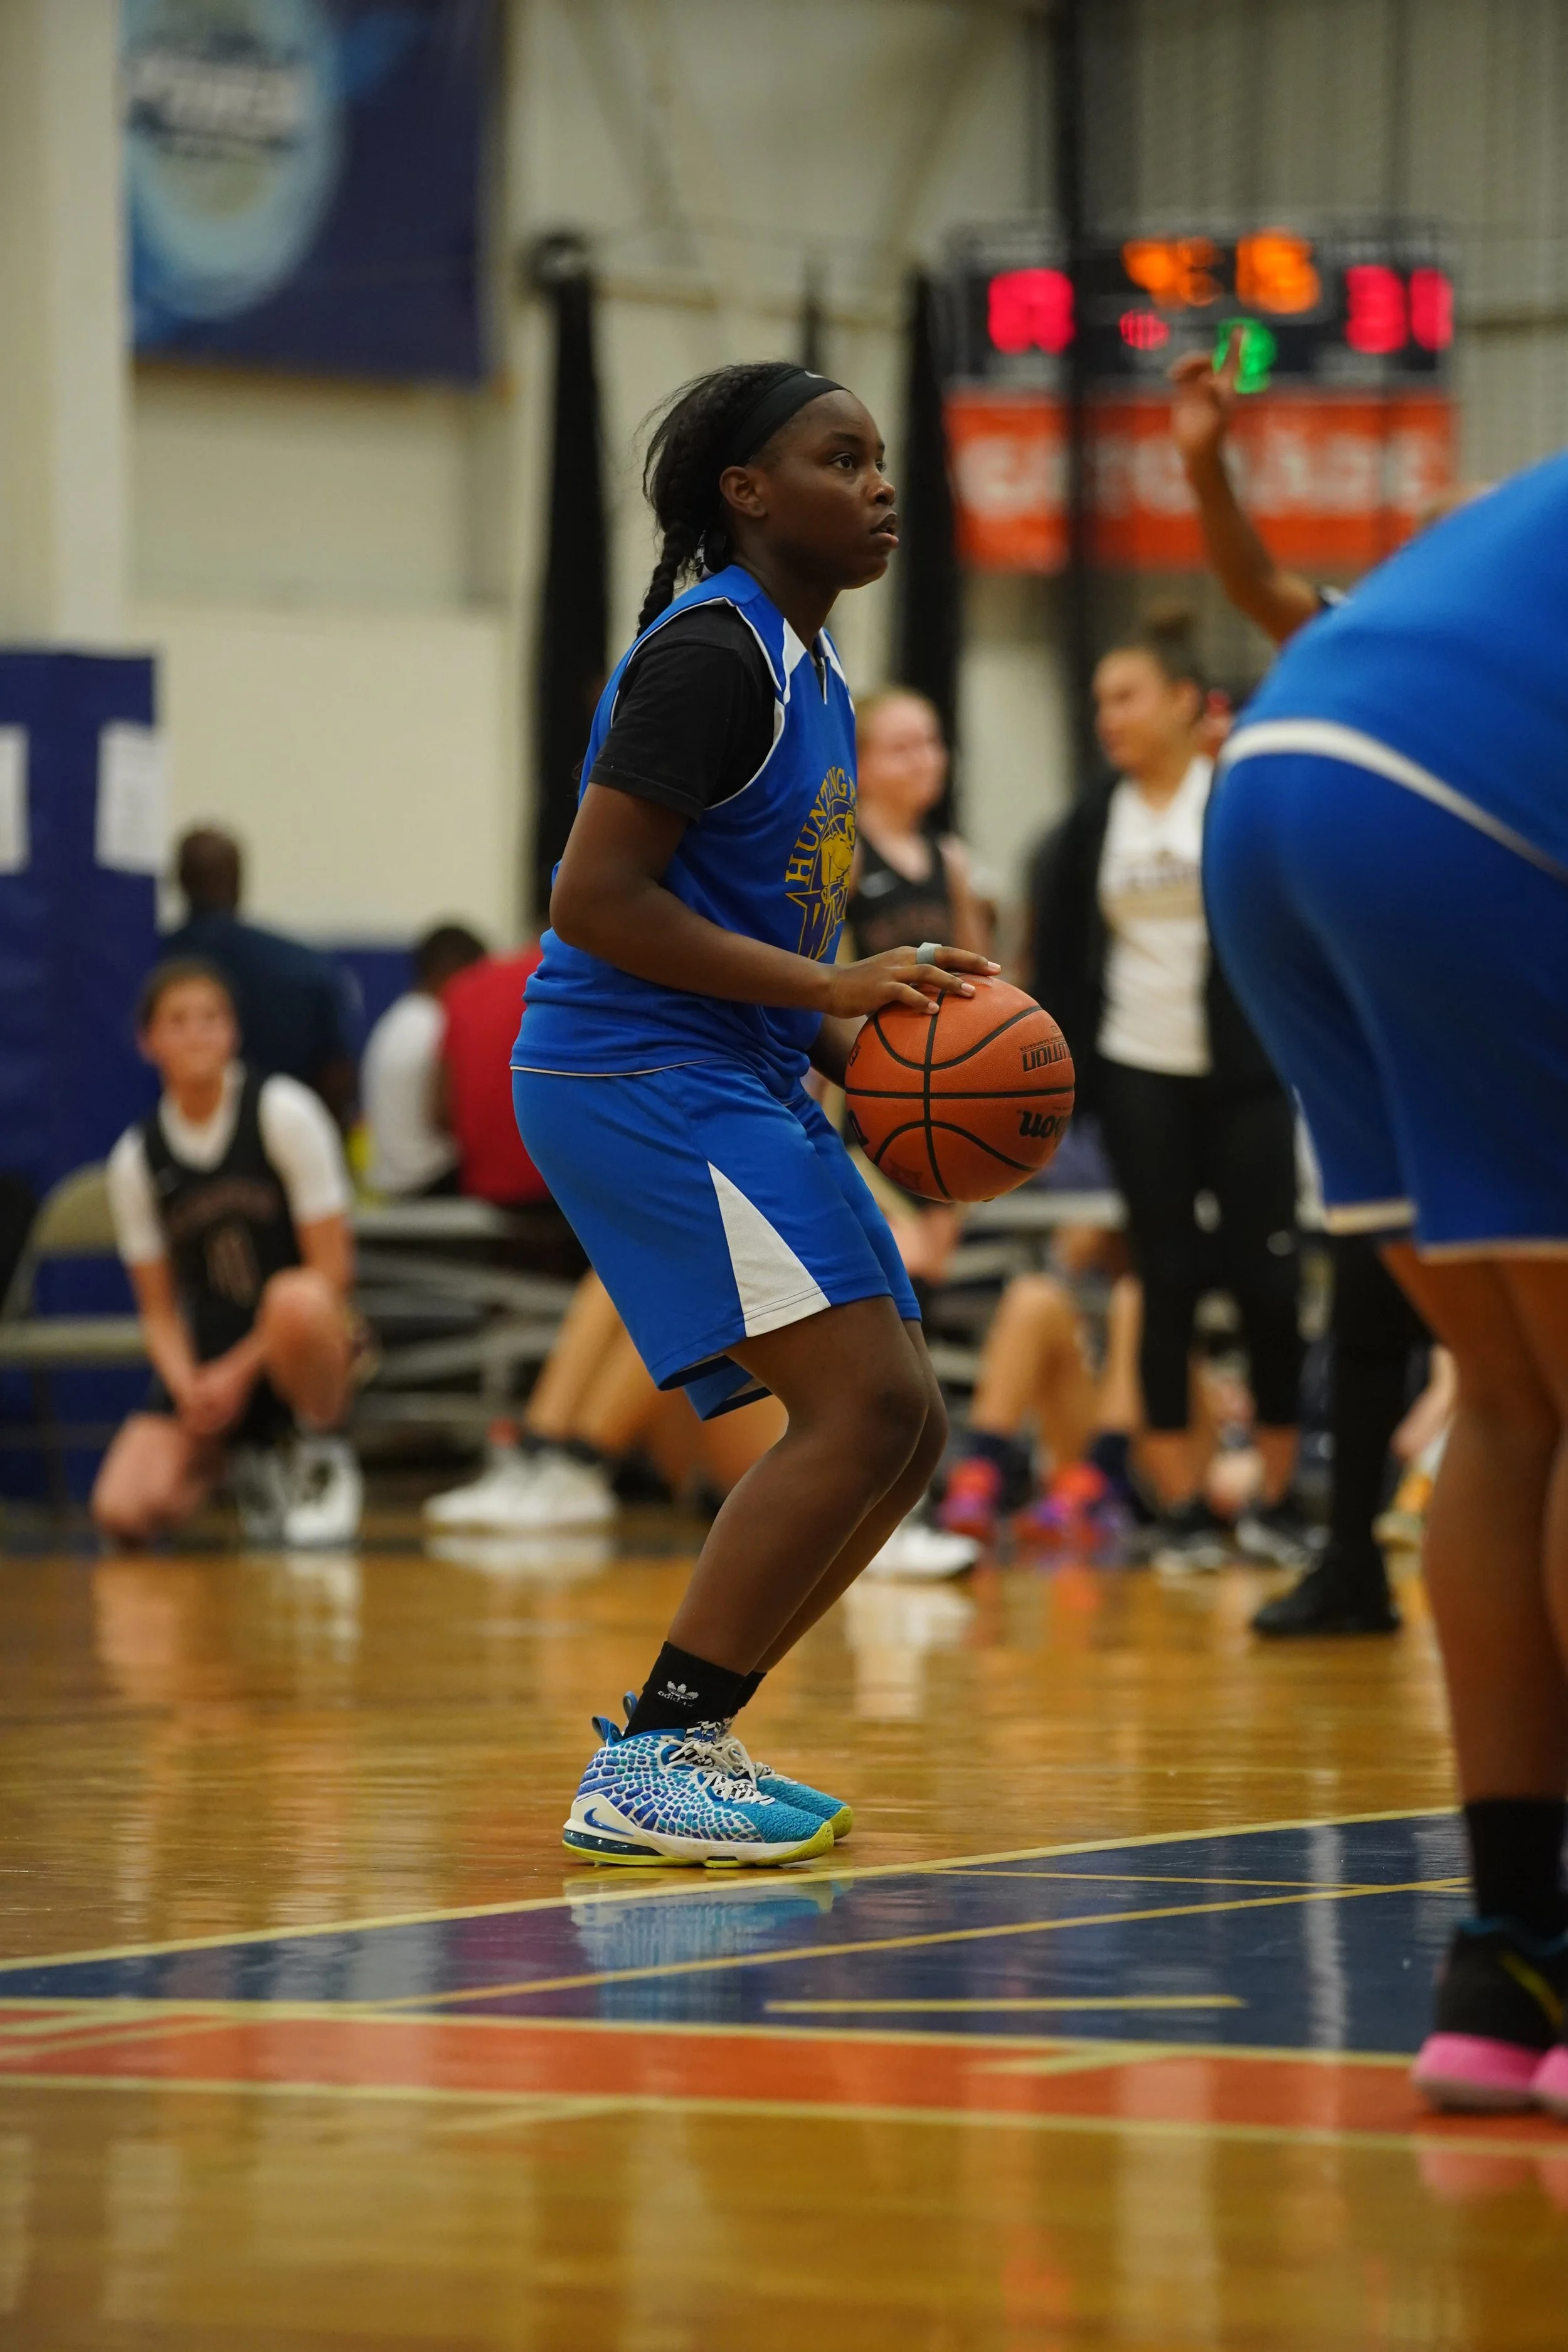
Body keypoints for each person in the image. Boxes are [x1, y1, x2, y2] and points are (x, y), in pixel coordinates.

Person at [511, 359, 997, 1868]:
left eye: (880, 458)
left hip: (737, 1066)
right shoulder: (715, 655)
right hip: (635, 1068)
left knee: (906, 1424)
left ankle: (693, 1733)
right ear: (746, 491)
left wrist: (866, 1049)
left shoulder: (812, 665)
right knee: (855, 1409)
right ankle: (650, 1755)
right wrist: (835, 988)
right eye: (839, 458)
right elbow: (591, 899)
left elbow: (738, 903)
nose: (878, 485)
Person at [1201, 451, 1568, 2117]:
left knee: (1510, 1395)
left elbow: (1314, 619)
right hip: (1458, 814)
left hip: (1274, 791)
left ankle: (1505, 1967)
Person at [1172, 333, 1431, 1636]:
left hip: (1500, 1040)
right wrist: (1205, 467)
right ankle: (1350, 1560)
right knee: (1379, 1314)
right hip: (1403, 1053)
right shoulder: (1377, 655)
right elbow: (1253, 578)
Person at [1029, 609, 1305, 1574]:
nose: (1110, 715)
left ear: (1186, 702)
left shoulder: (1235, 798)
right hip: (1138, 1070)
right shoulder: (1092, 823)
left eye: (1128, 695)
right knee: (1167, 1283)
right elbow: (1059, 961)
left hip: (1247, 1072)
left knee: (1271, 1285)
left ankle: (1275, 1499)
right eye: (1101, 699)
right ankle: (1181, 1509)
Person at [93, 960, 363, 1550]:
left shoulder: (282, 1111)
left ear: (234, 1032)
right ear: (149, 1040)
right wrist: (190, 1384)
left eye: (212, 1019)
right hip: (214, 1357)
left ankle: (318, 1451)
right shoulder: (137, 1158)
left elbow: (334, 1270)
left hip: (296, 1342)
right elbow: (159, 1311)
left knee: (295, 1298)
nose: (197, 1034)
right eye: (179, 1021)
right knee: (123, 1509)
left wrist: (239, 1372)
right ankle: (233, 1467)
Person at [164, 827, 357, 1128]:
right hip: (282, 1144)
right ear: (239, 880)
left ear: (180, 882)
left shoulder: (149, 967)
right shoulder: (306, 967)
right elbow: (338, 1075)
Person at [362, 923, 486, 1199]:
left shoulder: (395, 1019)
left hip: (390, 1179)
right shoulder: (440, 1024)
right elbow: (444, 1117)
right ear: (455, 972)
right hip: (430, 1180)